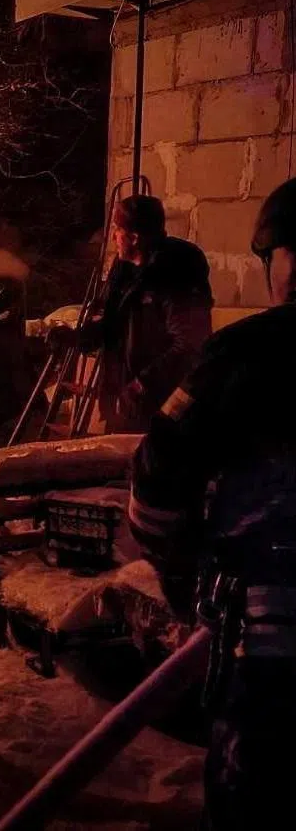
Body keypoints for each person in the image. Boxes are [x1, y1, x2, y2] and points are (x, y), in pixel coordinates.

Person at [128, 178, 296, 829]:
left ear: (274, 260)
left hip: (269, 670)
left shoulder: (244, 359)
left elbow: (155, 482)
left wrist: (186, 584)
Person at [58, 195, 214, 433]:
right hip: (126, 406)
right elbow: (113, 326)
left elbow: (189, 344)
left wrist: (141, 386)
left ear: (134, 237)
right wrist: (75, 338)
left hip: (163, 410)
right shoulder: (124, 273)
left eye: (117, 229)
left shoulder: (175, 273)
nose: (113, 237)